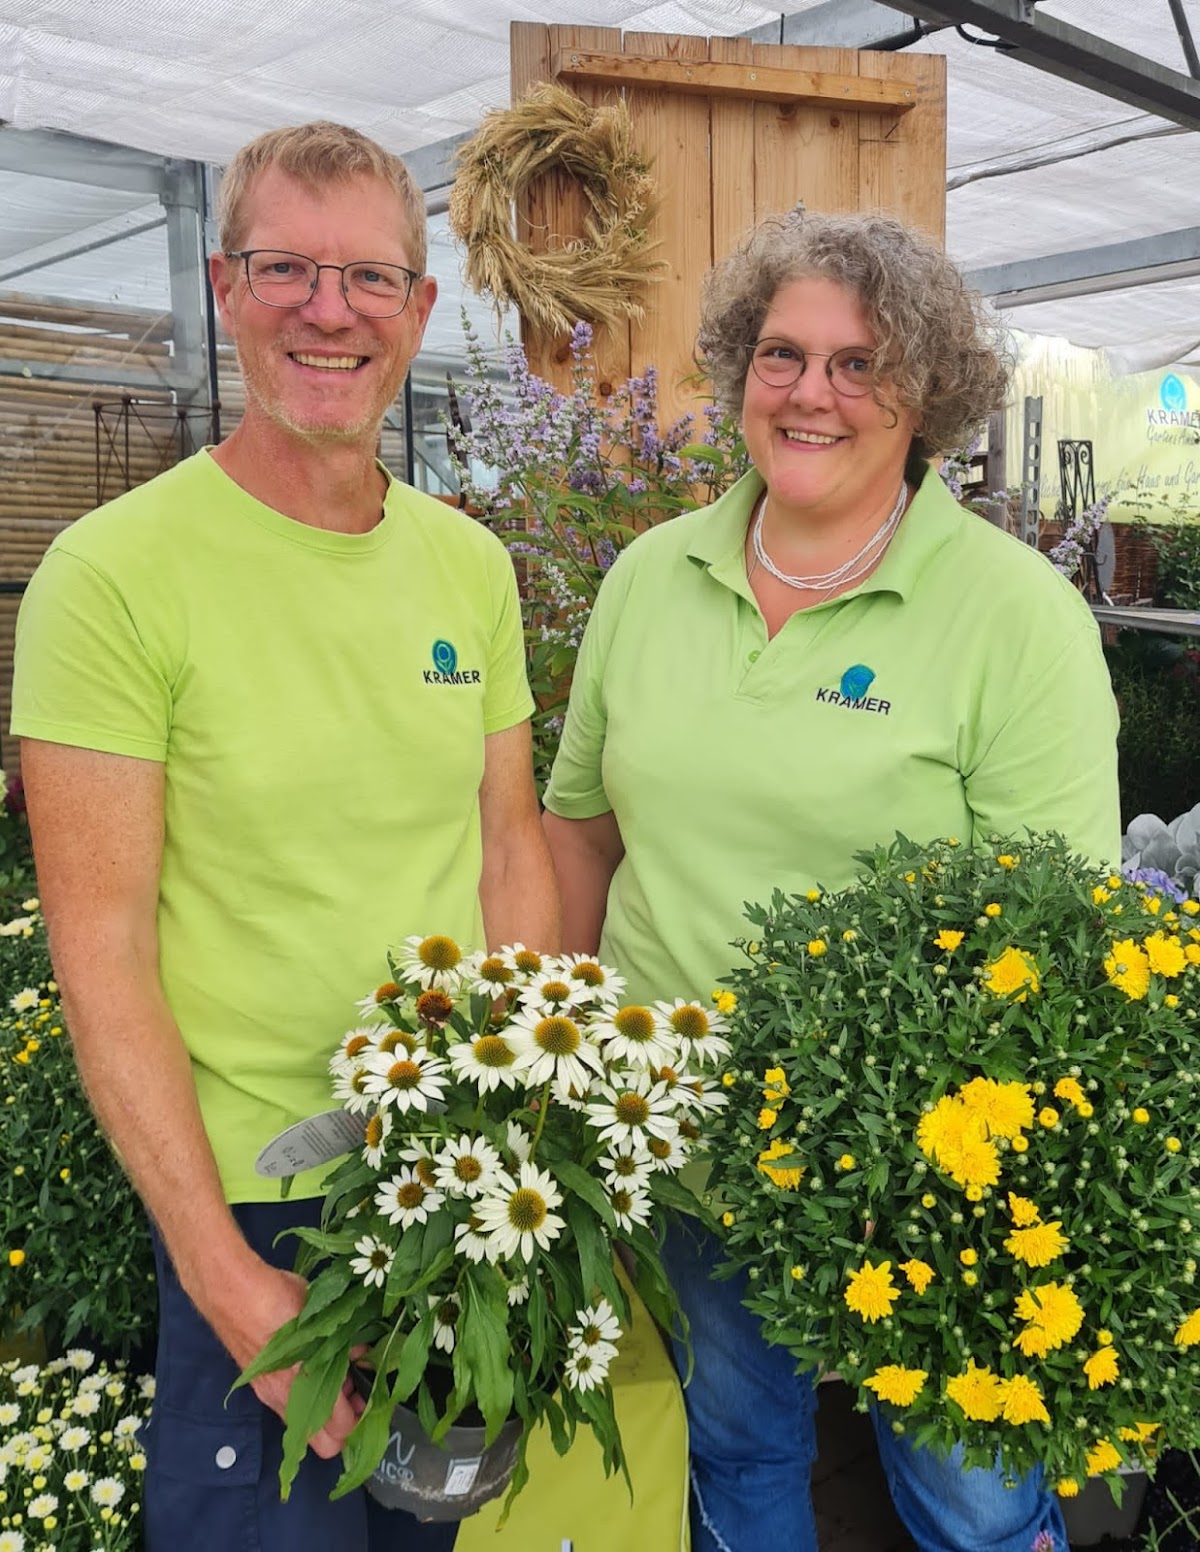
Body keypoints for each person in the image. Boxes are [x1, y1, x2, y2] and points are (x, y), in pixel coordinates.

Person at [12, 121, 558, 1552]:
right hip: (257, 1202)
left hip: (440, 1180)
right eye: (286, 270)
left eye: (369, 277)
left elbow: (508, 851)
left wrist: (520, 1131)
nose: (331, 310)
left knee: (424, 1531)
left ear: (419, 309)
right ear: (224, 285)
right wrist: (223, 1277)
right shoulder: (112, 577)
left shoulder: (469, 567)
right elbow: (102, 951)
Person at [542, 210, 1119, 1552]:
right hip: (683, 1142)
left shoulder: (1011, 616)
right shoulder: (650, 578)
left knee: (973, 1497)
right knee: (738, 1461)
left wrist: (951, 1163)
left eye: (863, 365)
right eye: (784, 355)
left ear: (928, 398)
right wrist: (556, 1082)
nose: (813, 393)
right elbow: (579, 833)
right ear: (741, 369)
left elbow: (1057, 939)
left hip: (921, 1166)